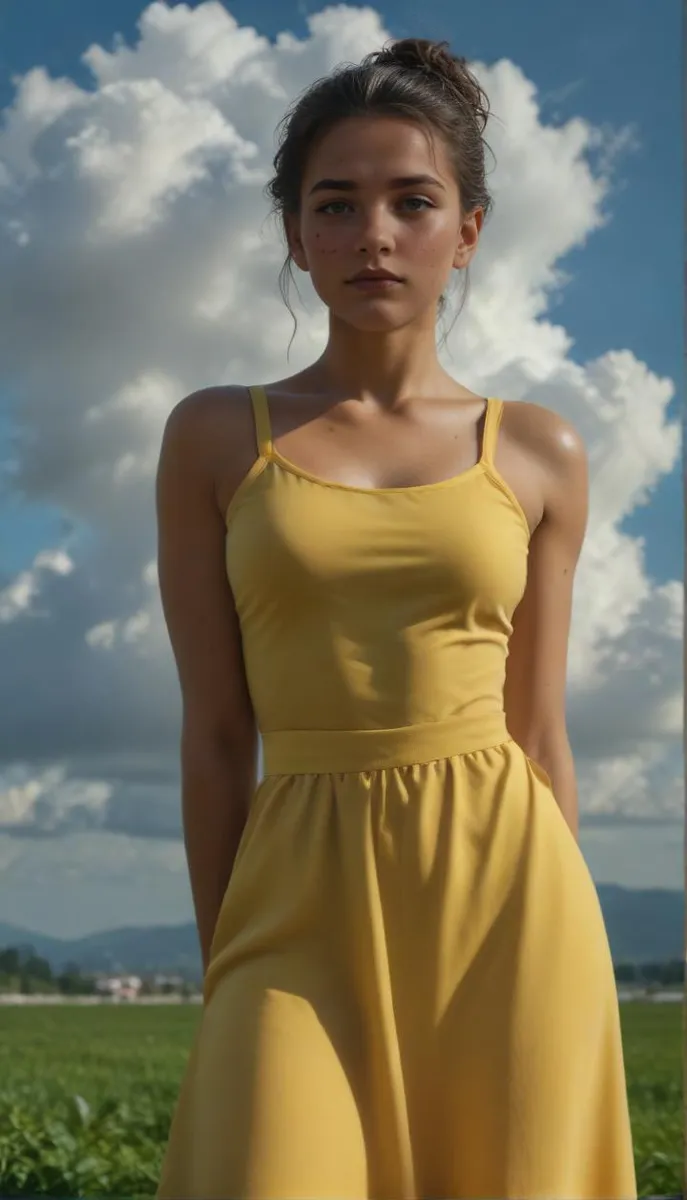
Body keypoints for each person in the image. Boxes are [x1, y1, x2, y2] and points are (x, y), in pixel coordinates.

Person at [154, 36, 637, 1200]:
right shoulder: (217, 437)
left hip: (511, 910)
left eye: (412, 201)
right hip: (292, 901)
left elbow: (535, 735)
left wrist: (574, 946)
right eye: (337, 203)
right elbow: (218, 735)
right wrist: (227, 956)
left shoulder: (540, 450)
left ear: (466, 231)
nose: (374, 231)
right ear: (295, 235)